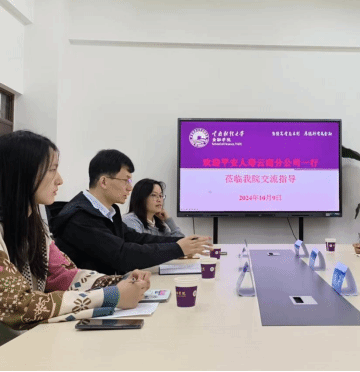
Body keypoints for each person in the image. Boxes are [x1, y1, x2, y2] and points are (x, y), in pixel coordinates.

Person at [0, 131, 150, 333]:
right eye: (52, 169)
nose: (60, 180)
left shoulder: (34, 227)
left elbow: (63, 275)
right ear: (22, 172)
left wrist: (122, 281)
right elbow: (19, 305)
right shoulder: (78, 216)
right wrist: (111, 295)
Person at [51, 150, 212, 275]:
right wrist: (177, 248)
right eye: (125, 180)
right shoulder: (80, 217)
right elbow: (122, 255)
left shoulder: (108, 212)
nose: (130, 188)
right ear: (104, 182)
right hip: (90, 298)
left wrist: (181, 243)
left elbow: (137, 239)